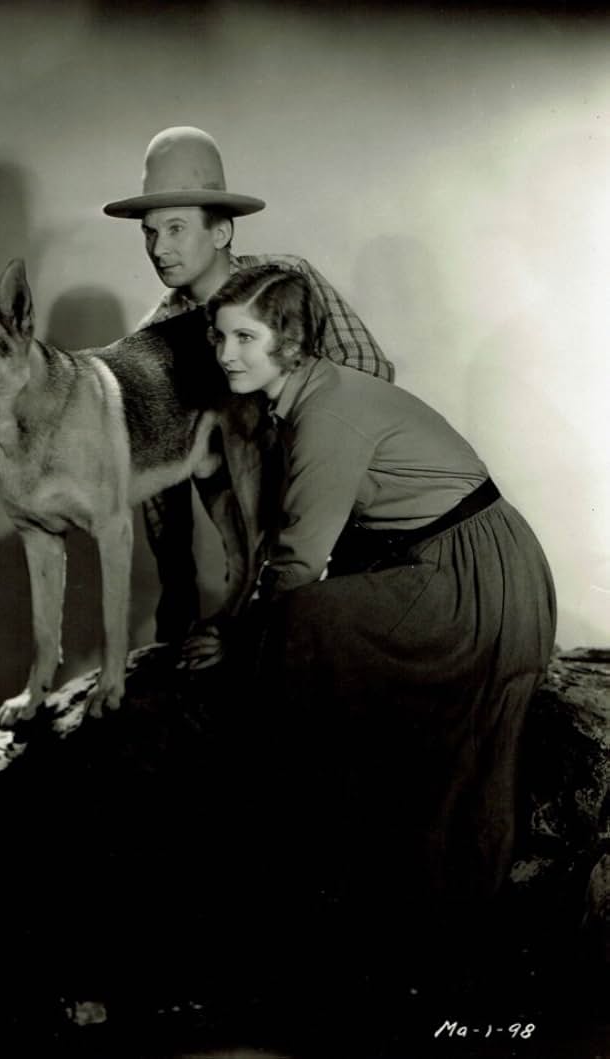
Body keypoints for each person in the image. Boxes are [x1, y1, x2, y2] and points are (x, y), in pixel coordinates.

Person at [201, 264, 557, 941]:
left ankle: (303, 877)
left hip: (475, 581)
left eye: (244, 337)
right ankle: (324, 876)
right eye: (220, 337)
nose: (226, 355)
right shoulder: (304, 399)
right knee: (308, 636)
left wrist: (236, 637)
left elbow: (300, 561)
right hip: (448, 568)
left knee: (303, 625)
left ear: (292, 338)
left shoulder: (327, 411)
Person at [103, 126, 394, 645]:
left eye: (174, 229)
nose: (158, 248)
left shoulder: (289, 277)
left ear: (221, 232)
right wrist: (178, 598)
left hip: (345, 505)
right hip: (258, 557)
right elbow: (159, 491)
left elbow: (369, 370)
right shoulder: (154, 340)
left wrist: (301, 449)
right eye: (148, 232)